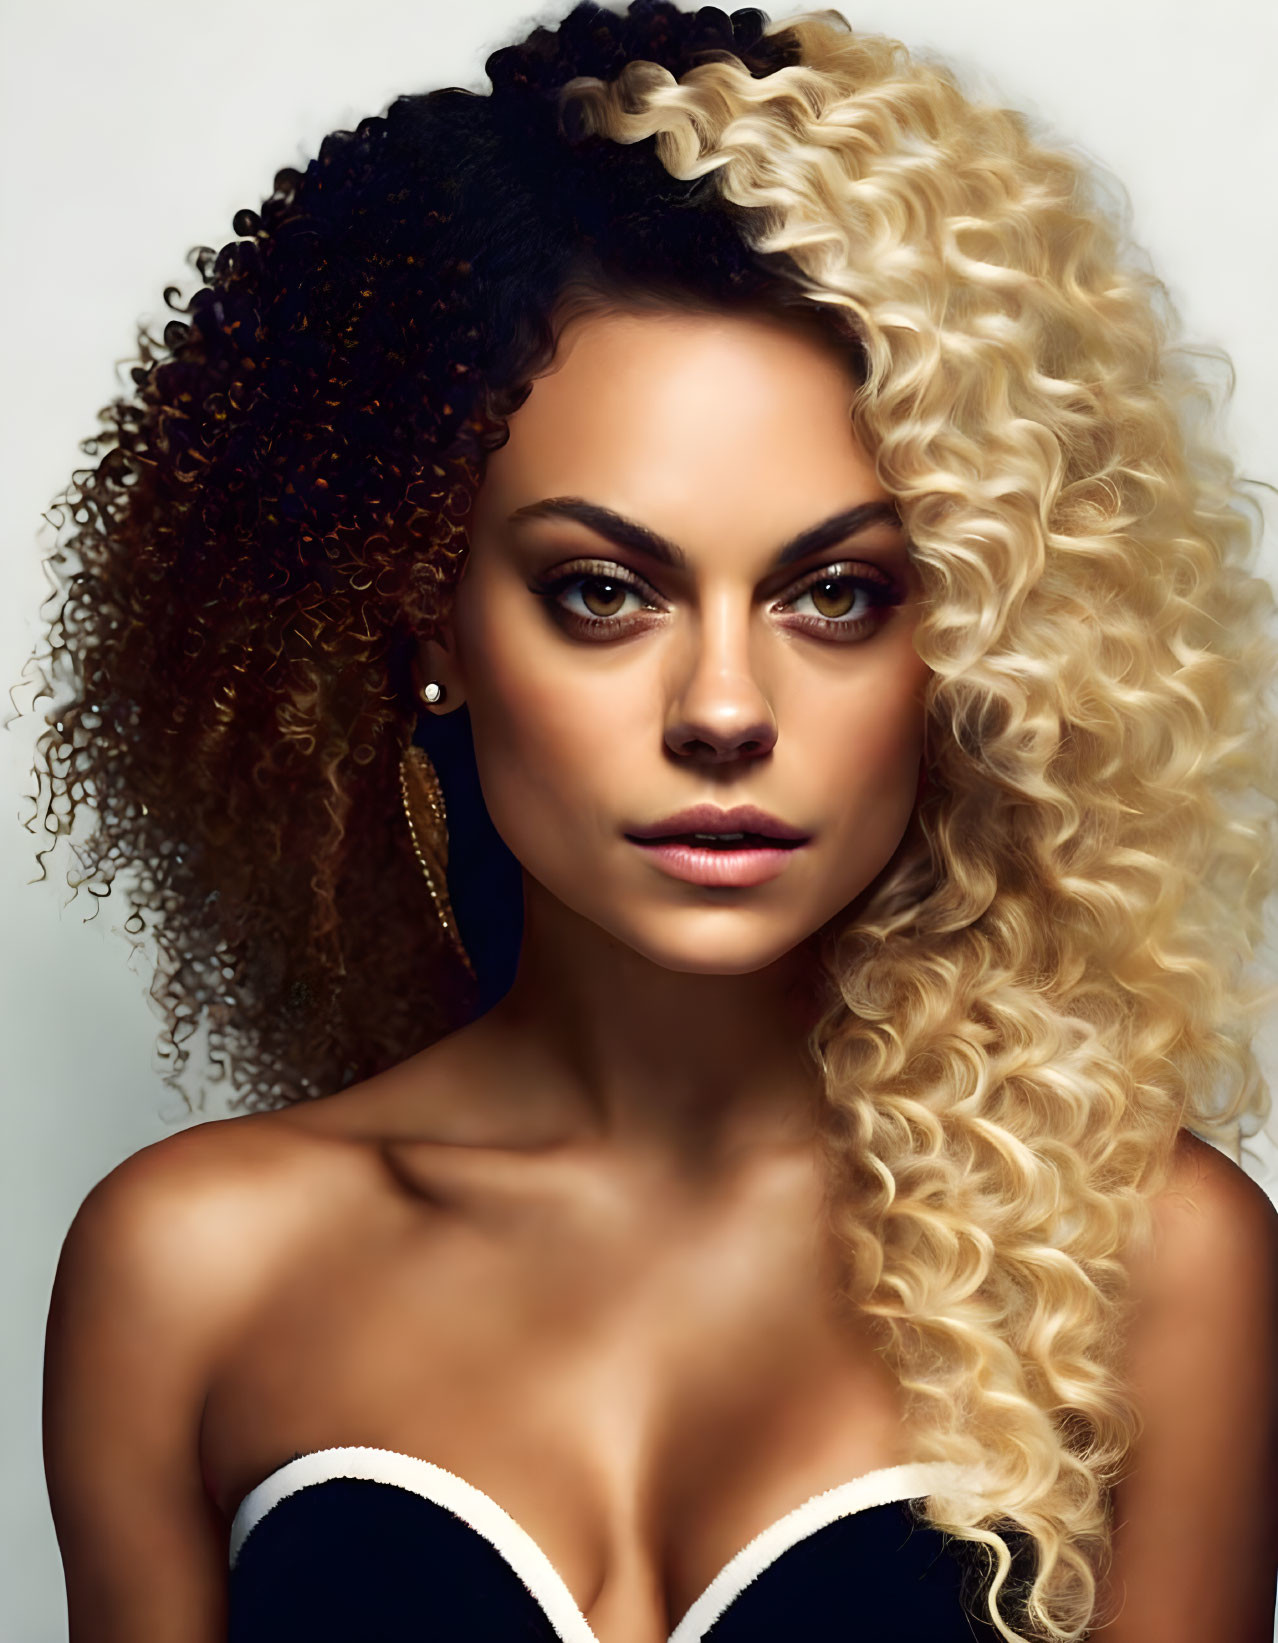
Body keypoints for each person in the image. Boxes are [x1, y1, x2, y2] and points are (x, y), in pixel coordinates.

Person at [28, 2, 1278, 1639]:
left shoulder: (1147, 1269)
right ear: (428, 633)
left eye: (835, 594)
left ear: (974, 643)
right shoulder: (192, 1268)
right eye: (601, 591)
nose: (723, 709)